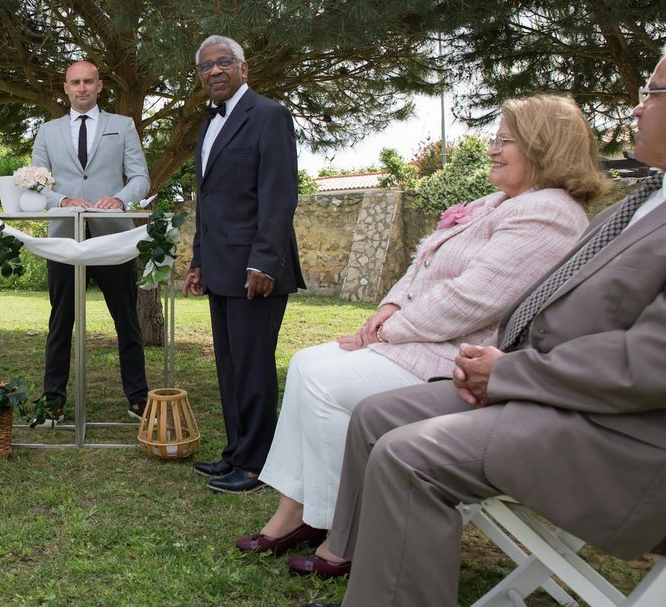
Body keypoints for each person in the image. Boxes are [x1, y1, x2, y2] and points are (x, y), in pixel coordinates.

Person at [299, 51, 666, 607]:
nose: (637, 109)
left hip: (622, 438)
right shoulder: (645, 202)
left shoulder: (555, 210)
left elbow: (647, 365)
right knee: (378, 414)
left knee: (406, 455)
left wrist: (512, 372)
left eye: (655, 93)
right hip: (563, 397)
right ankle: (349, 554)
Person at [239, 94, 606, 560]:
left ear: (544, 147)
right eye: (494, 139)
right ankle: (297, 512)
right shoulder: (498, 202)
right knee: (306, 362)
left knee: (323, 383)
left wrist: (389, 331)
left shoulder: (548, 213)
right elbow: (424, 263)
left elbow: (472, 299)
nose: (492, 149)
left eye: (505, 141)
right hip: (426, 340)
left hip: (458, 356)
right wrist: (389, 306)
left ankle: (341, 530)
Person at [183, 35, 306, 494]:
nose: (214, 71)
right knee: (231, 367)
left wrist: (265, 263)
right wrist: (197, 260)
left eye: (223, 63)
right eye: (205, 66)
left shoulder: (269, 115)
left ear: (243, 67)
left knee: (254, 367)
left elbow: (279, 196)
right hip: (219, 266)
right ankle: (236, 452)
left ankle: (257, 464)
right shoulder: (208, 125)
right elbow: (208, 203)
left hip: (257, 269)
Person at [30, 60, 151, 420]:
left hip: (114, 236)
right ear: (65, 88)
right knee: (60, 320)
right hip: (65, 236)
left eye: (88, 81)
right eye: (75, 82)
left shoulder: (122, 125)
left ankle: (139, 397)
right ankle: (53, 399)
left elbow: (140, 176)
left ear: (100, 86)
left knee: (126, 319)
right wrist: (63, 201)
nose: (82, 88)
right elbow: (35, 183)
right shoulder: (47, 131)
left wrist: (121, 199)